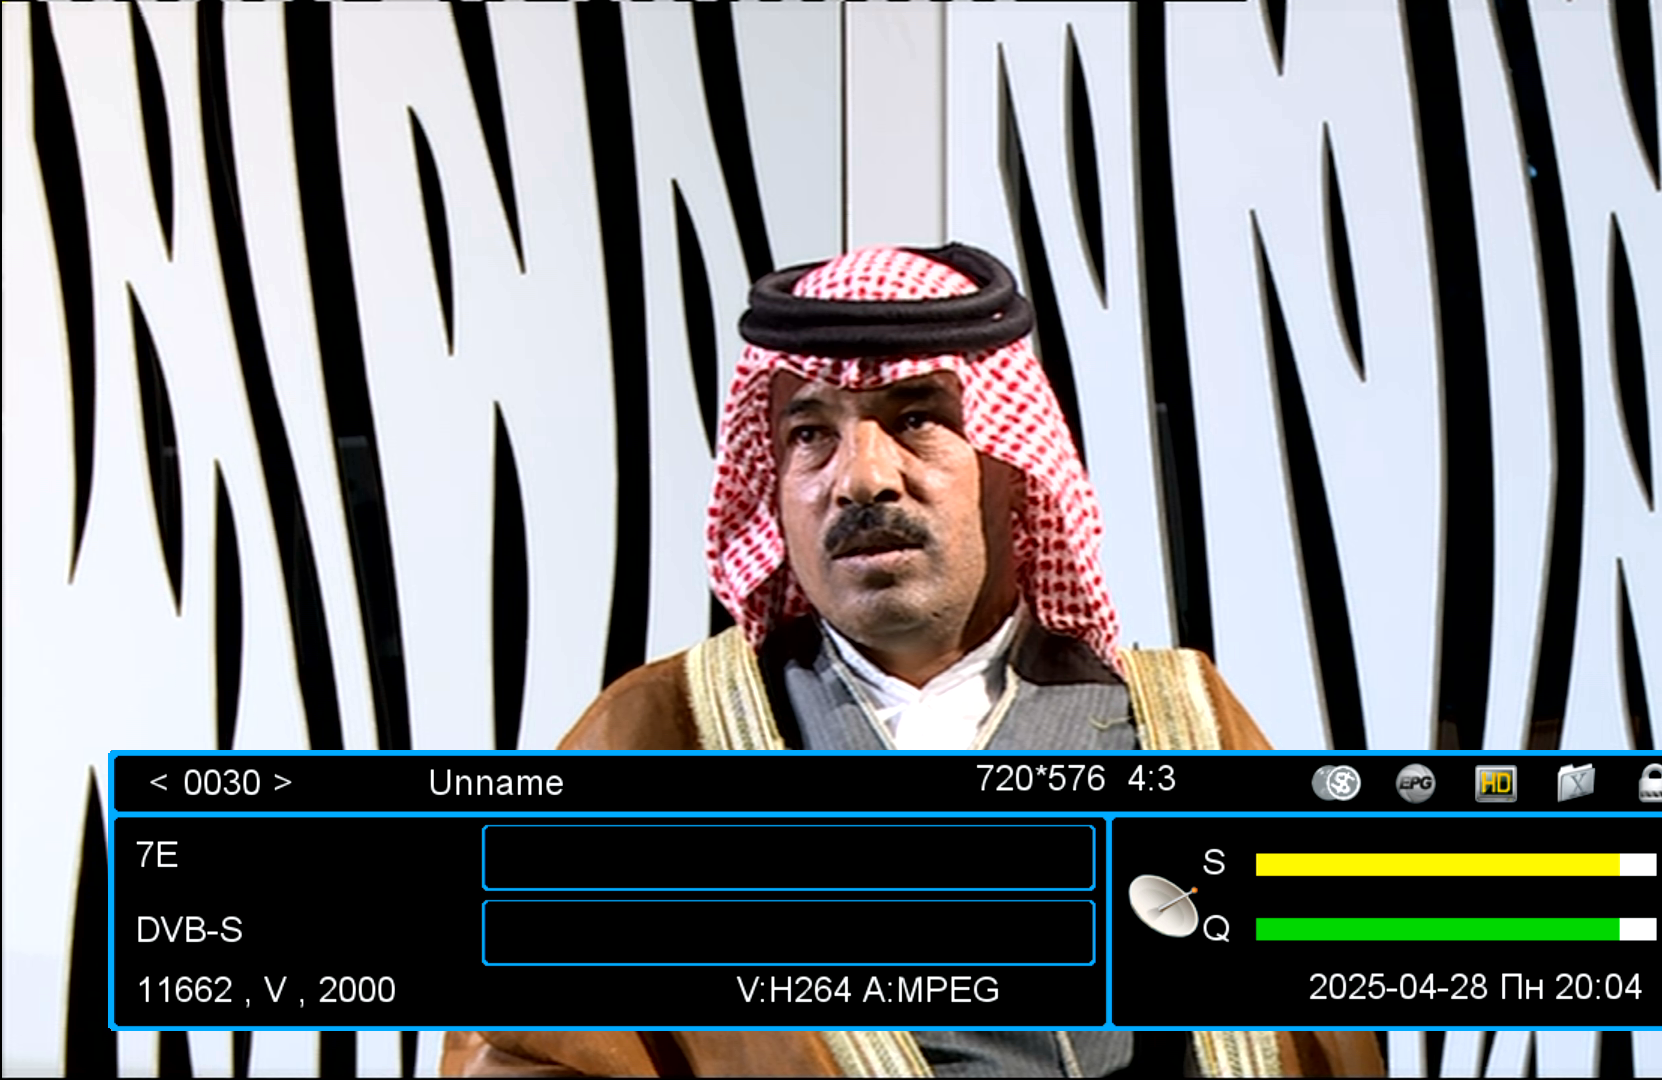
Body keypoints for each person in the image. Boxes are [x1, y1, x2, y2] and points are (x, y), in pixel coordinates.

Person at [443, 245, 1383, 1077]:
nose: (862, 477)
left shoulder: (1178, 729)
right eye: (810, 433)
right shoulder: (661, 738)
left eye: (917, 418)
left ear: (1014, 464)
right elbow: (524, 1053)